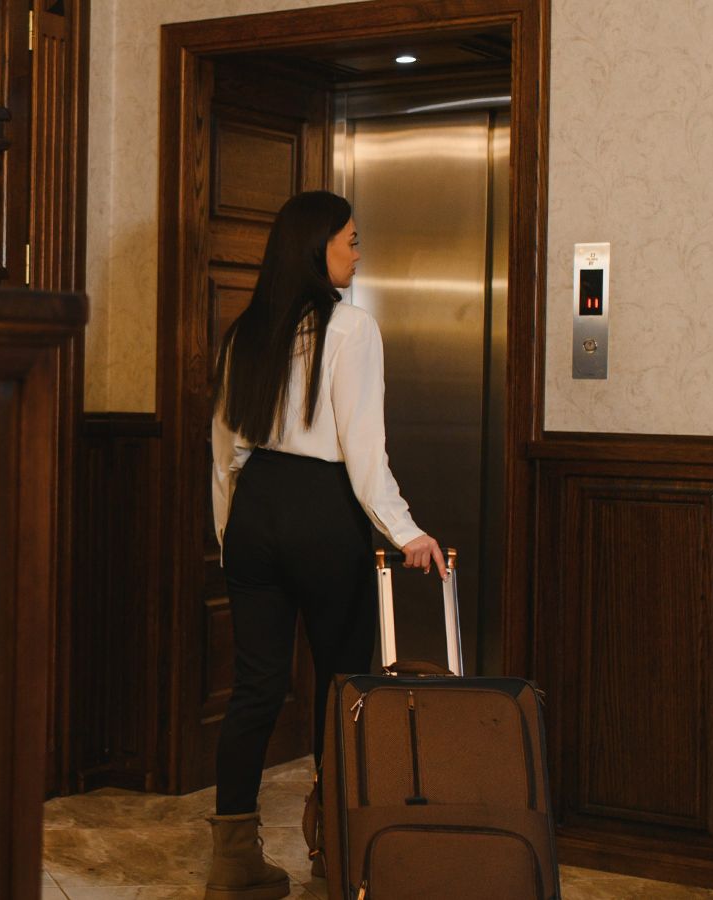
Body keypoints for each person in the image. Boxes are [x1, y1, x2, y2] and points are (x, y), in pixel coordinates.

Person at [204, 190, 447, 899]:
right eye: (350, 240)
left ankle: (232, 863)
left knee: (253, 689)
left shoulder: (244, 331)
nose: (358, 251)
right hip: (321, 510)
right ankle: (335, 850)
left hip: (255, 510)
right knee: (341, 686)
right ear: (317, 249)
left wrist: (232, 535)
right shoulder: (352, 329)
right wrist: (407, 532)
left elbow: (224, 451)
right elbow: (363, 450)